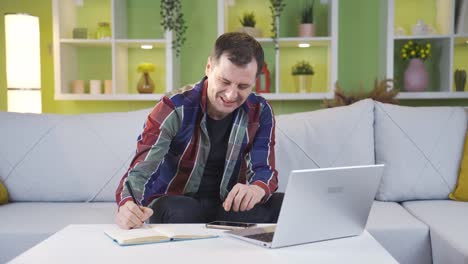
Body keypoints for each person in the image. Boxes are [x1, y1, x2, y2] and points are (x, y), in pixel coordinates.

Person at [115, 32, 283, 229]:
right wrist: (127, 205)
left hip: (227, 206)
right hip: (177, 202)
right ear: (209, 67)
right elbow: (141, 169)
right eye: (224, 81)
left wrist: (256, 189)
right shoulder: (173, 107)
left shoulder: (261, 111)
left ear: (255, 81)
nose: (231, 95)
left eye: (243, 86)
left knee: (283, 204)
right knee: (182, 211)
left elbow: (264, 169)